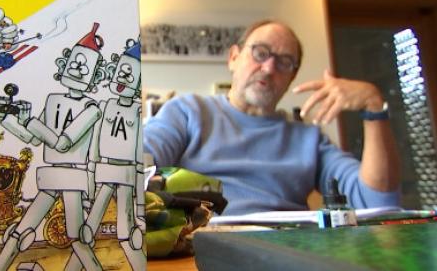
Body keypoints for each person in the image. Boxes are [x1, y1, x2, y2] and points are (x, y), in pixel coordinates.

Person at [143, 20, 401, 216]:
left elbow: (376, 201)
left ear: (292, 77)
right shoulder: (187, 112)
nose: (269, 68)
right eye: (260, 52)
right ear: (233, 58)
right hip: (200, 247)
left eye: (285, 62)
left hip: (287, 249)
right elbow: (138, 164)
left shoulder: (308, 139)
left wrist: (374, 107)